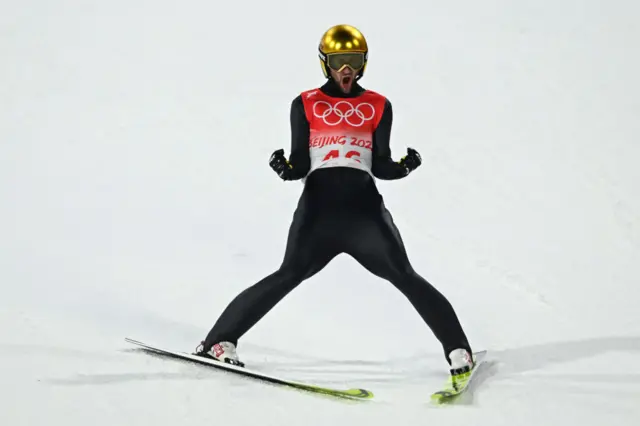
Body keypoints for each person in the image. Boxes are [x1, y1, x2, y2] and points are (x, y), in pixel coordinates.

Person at [195, 24, 475, 378]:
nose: (346, 69)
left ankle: (458, 350)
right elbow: (299, 164)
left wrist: (404, 167)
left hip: (364, 214)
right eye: (339, 61)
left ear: (364, 63)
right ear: (325, 63)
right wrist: (284, 168)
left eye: (354, 61)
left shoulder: (377, 105)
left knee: (404, 275)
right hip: (319, 213)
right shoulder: (306, 103)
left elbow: (381, 165)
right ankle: (218, 342)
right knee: (288, 274)